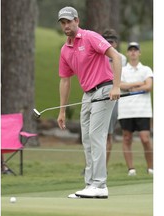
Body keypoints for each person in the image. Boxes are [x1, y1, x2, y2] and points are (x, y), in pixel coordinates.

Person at [57, 6, 122, 199]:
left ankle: (100, 185)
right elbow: (65, 80)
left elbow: (116, 57)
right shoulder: (65, 49)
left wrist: (116, 86)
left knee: (96, 136)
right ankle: (90, 184)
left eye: (69, 21)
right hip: (88, 95)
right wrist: (62, 111)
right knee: (86, 139)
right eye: (63, 23)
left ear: (77, 20)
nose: (66, 26)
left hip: (104, 89)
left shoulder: (90, 37)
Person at [118, 42, 153, 176]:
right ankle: (131, 169)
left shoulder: (146, 69)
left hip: (143, 110)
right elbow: (120, 85)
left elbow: (148, 86)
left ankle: (151, 168)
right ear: (127, 53)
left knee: (145, 139)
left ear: (139, 53)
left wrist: (131, 87)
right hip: (125, 110)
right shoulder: (122, 70)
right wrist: (139, 83)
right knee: (127, 138)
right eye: (130, 50)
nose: (133, 52)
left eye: (135, 50)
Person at [101, 29, 127, 167]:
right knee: (95, 135)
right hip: (98, 95)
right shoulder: (97, 55)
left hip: (113, 96)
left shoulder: (120, 57)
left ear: (115, 44)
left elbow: (113, 71)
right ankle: (93, 166)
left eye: (111, 42)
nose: (108, 44)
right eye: (106, 41)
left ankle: (103, 167)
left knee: (108, 134)